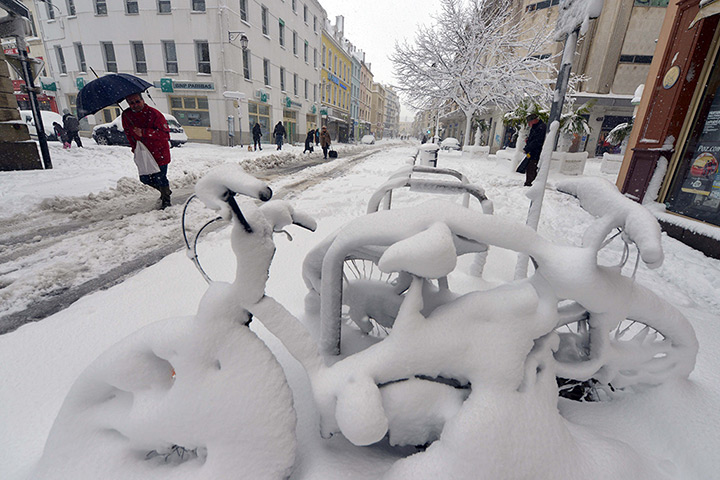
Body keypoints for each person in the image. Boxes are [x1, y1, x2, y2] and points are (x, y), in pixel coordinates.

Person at [121, 93, 173, 209]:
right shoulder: (126, 115)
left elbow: (165, 135)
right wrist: (134, 147)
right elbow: (129, 134)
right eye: (131, 103)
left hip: (159, 151)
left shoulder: (154, 114)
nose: (135, 105)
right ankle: (165, 191)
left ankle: (166, 200)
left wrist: (144, 132)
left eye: (137, 101)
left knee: (160, 177)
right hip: (143, 152)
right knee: (145, 178)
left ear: (143, 100)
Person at [522, 113, 547, 186]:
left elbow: (537, 141)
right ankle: (529, 182)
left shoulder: (541, 127)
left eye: (529, 122)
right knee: (529, 167)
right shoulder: (535, 127)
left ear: (534, 120)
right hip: (532, 152)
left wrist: (527, 148)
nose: (529, 124)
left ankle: (530, 183)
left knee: (532, 167)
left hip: (536, 152)